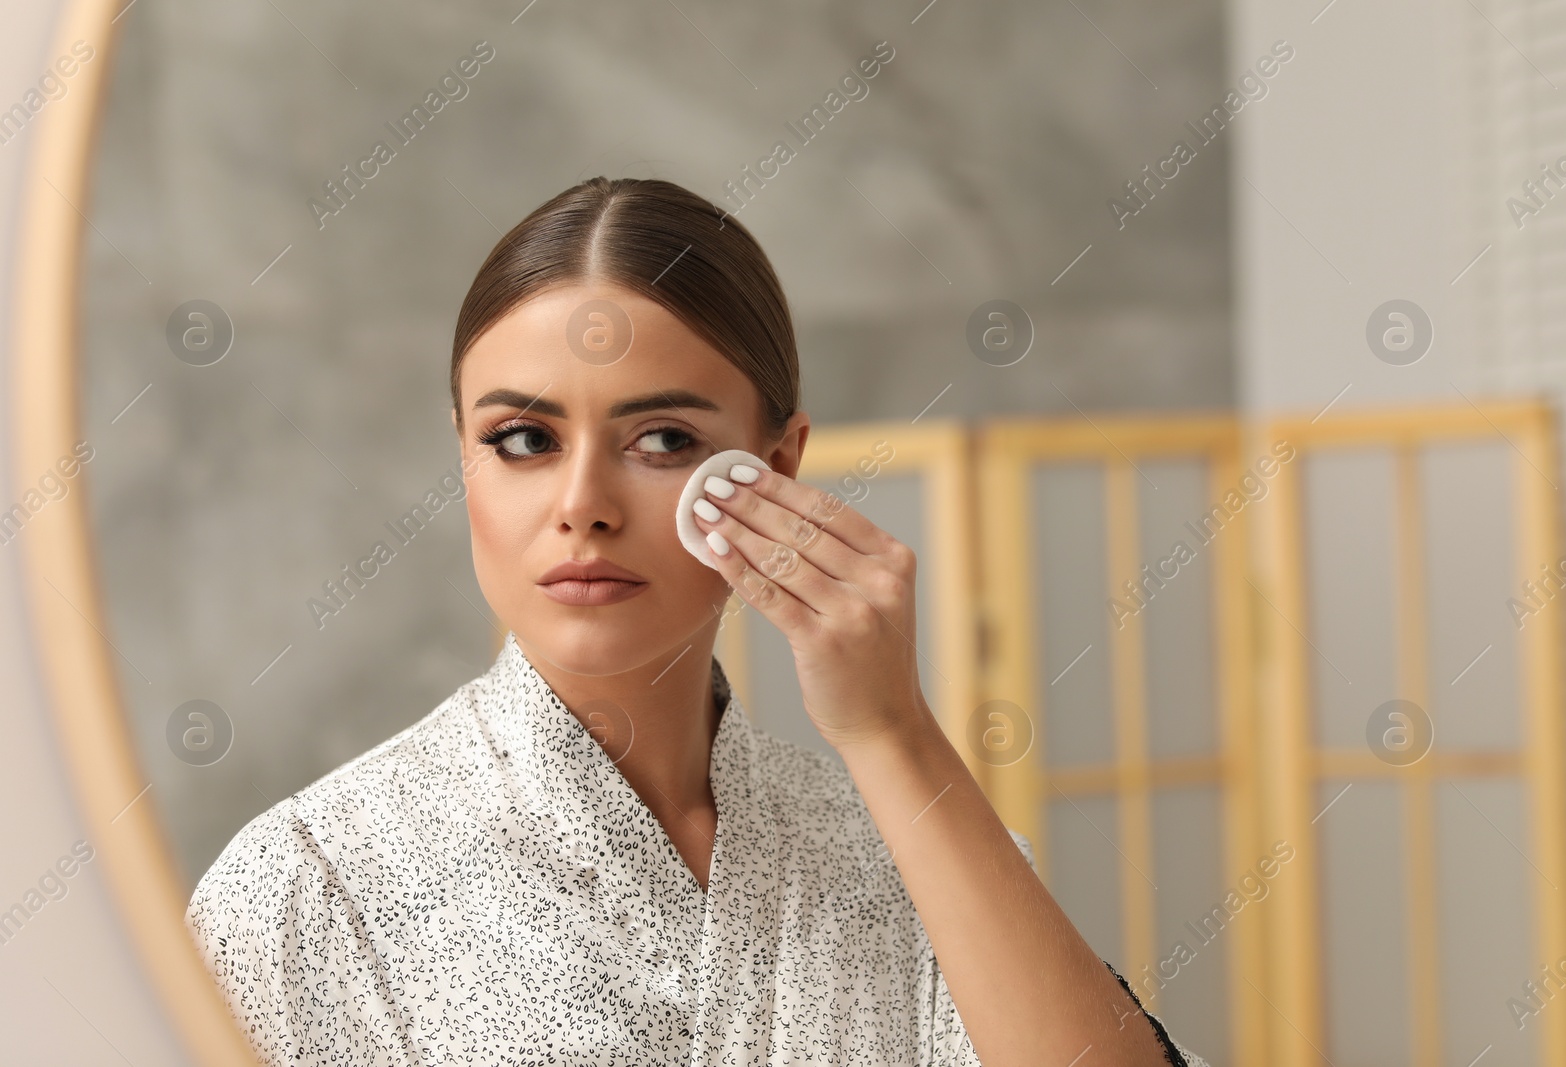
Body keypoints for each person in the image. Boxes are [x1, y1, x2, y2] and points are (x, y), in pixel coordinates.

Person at [186, 176, 1210, 1066]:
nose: (582, 500)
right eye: (522, 438)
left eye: (663, 436)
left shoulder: (911, 852)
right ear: (462, 453)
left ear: (778, 467)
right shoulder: (301, 887)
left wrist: (890, 728)